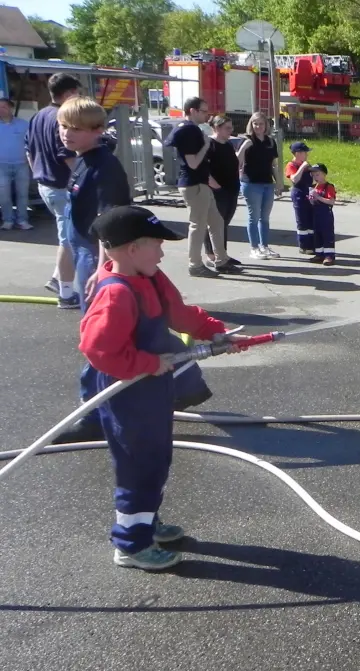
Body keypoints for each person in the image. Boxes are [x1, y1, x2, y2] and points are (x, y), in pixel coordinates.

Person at [79, 205, 249, 570]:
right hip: (128, 392)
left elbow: (179, 312)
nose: (162, 251)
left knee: (156, 457)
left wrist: (215, 331)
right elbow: (98, 350)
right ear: (130, 249)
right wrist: (148, 363)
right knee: (138, 463)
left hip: (153, 388)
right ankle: (130, 544)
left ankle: (146, 521)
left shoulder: (152, 278)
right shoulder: (117, 293)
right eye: (156, 244)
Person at [52, 96, 215, 445]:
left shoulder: (103, 167)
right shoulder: (83, 162)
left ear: (97, 131)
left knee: (106, 337)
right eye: (63, 126)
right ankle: (187, 386)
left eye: (76, 129)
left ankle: (96, 414)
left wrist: (102, 268)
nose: (67, 134)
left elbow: (108, 223)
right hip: (92, 253)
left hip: (98, 258)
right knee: (140, 332)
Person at [26, 73, 83, 307]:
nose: (79, 99)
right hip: (62, 187)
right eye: (78, 93)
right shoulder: (61, 117)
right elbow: (67, 156)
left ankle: (57, 279)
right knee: (68, 240)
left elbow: (28, 150)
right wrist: (82, 181)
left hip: (45, 185)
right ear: (69, 94)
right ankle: (66, 293)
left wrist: (39, 174)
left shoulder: (38, 115)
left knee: (66, 235)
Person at [166, 96, 236, 277]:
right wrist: (205, 145)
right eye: (204, 111)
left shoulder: (190, 129)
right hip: (194, 183)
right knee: (198, 225)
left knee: (217, 221)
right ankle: (195, 264)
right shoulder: (189, 131)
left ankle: (221, 259)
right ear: (192, 111)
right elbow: (193, 163)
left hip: (200, 183)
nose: (207, 115)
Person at [237, 112, 280, 259]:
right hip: (251, 183)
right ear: (251, 125)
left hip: (267, 183)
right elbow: (237, 161)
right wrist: (243, 148)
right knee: (253, 217)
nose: (258, 127)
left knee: (265, 218)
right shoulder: (246, 140)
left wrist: (278, 182)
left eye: (261, 124)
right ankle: (254, 248)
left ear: (266, 125)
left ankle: (265, 246)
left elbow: (273, 165)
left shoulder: (270, 142)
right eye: (255, 124)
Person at [202, 116, 241, 267]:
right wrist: (214, 185)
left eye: (231, 127)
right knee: (214, 224)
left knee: (224, 223)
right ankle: (212, 255)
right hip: (217, 190)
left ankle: (222, 253)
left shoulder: (228, 144)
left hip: (231, 189)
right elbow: (204, 168)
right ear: (217, 128)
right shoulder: (209, 144)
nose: (231, 131)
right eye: (227, 128)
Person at [0, 97, 31, 231]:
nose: (1, 110)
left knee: (22, 194)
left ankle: (22, 220)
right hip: (1, 165)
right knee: (3, 195)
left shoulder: (24, 125)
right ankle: (7, 220)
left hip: (21, 164)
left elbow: (31, 143)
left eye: (4, 107)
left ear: (11, 108)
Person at [285, 141, 315, 255]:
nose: (307, 155)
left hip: (309, 193)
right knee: (302, 220)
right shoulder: (291, 165)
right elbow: (294, 179)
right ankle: (303, 246)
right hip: (298, 194)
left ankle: (312, 244)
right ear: (297, 153)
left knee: (310, 220)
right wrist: (302, 167)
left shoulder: (308, 165)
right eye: (305, 152)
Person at [307, 163, 337, 265]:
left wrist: (318, 197)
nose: (315, 177)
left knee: (327, 234)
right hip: (316, 213)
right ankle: (319, 254)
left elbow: (331, 201)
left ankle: (329, 256)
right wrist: (311, 199)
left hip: (326, 214)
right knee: (317, 234)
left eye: (318, 174)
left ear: (324, 174)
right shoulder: (313, 187)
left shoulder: (328, 187)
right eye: (313, 175)